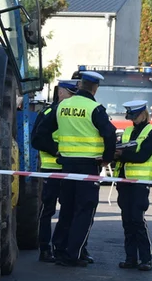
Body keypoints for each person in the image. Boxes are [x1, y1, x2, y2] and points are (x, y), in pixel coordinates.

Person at [48, 71, 116, 267]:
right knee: (84, 210)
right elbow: (110, 134)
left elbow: (43, 132)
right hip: (87, 166)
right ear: (95, 88)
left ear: (79, 85)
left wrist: (57, 151)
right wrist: (107, 159)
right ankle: (73, 254)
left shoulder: (62, 106)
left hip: (66, 165)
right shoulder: (95, 108)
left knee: (67, 209)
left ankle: (59, 250)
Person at [30, 79, 78, 263]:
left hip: (68, 169)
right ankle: (44, 248)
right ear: (61, 93)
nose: (73, 98)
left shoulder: (71, 113)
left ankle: (61, 247)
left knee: (68, 210)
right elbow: (37, 139)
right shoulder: (50, 112)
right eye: (70, 94)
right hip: (51, 169)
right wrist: (56, 149)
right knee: (47, 211)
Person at [116, 100, 152, 271]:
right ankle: (130, 258)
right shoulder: (127, 131)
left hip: (140, 183)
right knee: (127, 221)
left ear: (143, 114)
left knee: (137, 220)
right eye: (130, 116)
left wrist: (121, 155)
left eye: (134, 116)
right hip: (124, 181)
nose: (132, 120)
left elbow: (142, 156)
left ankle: (145, 259)